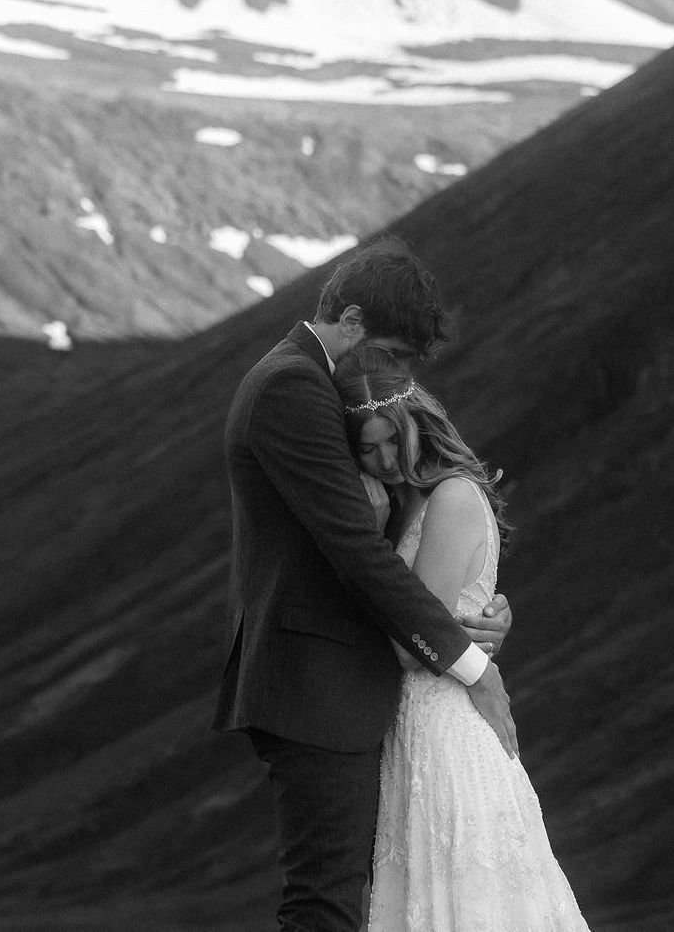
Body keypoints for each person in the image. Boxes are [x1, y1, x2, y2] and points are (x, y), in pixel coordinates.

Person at [212, 236, 516, 931]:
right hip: (315, 684)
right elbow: (355, 548)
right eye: (395, 354)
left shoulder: (309, 383)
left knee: (346, 897)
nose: (397, 377)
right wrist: (473, 665)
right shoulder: (292, 387)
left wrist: (475, 609)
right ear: (350, 321)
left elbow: (387, 533)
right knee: (325, 902)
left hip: (332, 684)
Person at [335, 343, 592, 932]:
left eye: (393, 440)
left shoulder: (450, 497)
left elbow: (409, 645)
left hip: (448, 733)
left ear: (416, 421)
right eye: (368, 449)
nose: (385, 459)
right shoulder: (401, 505)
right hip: (409, 732)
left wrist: (370, 538)